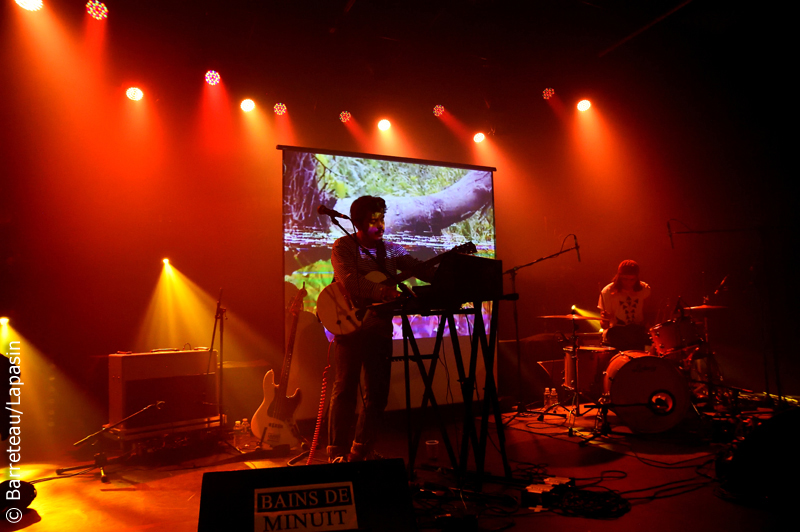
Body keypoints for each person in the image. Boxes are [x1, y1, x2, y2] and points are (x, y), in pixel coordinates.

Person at [327, 195, 434, 462]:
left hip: (379, 328)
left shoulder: (391, 251)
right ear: (358, 222)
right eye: (374, 219)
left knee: (377, 393)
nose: (380, 225)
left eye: (382, 218)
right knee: (344, 389)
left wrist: (452, 266)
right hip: (348, 326)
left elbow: (419, 269)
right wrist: (382, 291)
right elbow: (350, 281)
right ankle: (336, 452)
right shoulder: (343, 247)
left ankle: (360, 449)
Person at [598, 260, 653, 352]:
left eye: (632, 280)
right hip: (617, 331)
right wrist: (605, 319)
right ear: (619, 277)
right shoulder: (607, 292)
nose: (628, 283)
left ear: (637, 278)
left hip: (637, 331)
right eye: (625, 279)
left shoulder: (644, 289)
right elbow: (604, 325)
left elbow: (646, 313)